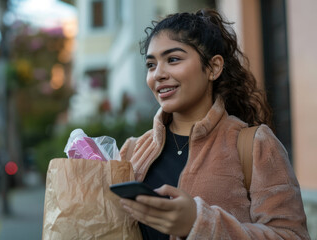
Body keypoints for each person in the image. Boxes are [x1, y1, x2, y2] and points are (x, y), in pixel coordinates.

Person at [118, 9, 310, 240]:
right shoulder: (132, 151)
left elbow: (292, 235)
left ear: (213, 67)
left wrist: (199, 224)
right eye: (151, 65)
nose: (158, 74)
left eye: (173, 59)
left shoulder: (254, 144)